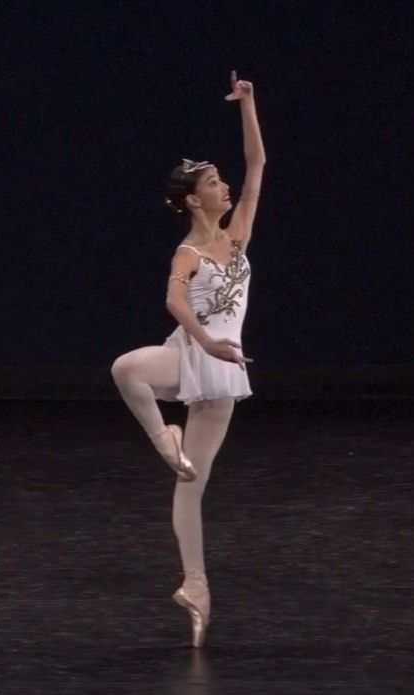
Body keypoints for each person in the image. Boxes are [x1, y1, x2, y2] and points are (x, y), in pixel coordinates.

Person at [110, 70, 266, 647]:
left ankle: (195, 586)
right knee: (127, 368)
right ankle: (163, 439)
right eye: (214, 182)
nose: (225, 187)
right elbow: (174, 300)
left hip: (224, 374)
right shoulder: (189, 251)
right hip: (195, 354)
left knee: (191, 486)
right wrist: (204, 343)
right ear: (192, 198)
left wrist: (247, 104)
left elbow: (258, 167)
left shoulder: (238, 235)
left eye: (223, 180)